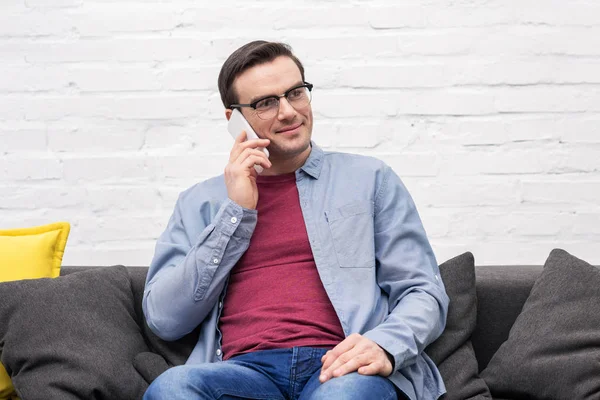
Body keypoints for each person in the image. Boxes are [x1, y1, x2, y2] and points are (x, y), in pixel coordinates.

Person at [142, 40, 449, 400]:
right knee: (172, 387)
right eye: (266, 102)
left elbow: (423, 290)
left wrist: (383, 345)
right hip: (243, 373)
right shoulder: (199, 202)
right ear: (234, 118)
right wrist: (235, 214)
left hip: (340, 368)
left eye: (296, 93)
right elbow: (165, 318)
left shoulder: (371, 180)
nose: (288, 112)